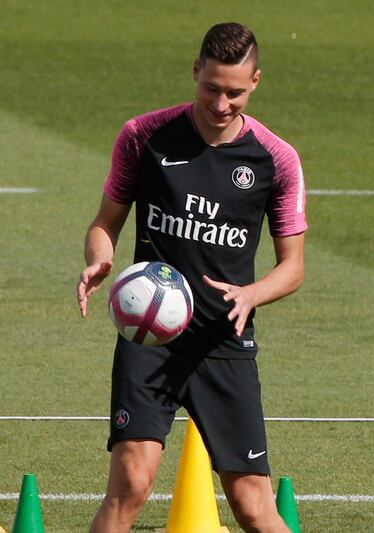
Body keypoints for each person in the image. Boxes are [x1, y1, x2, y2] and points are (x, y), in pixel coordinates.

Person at [76, 22, 305, 533]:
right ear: (196, 71)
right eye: (212, 88)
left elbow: (292, 267)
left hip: (222, 340)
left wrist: (253, 294)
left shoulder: (275, 160)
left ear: (256, 82)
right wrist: (99, 258)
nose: (222, 103)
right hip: (149, 337)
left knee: (252, 505)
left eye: (236, 92)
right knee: (130, 487)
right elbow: (104, 224)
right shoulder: (144, 137)